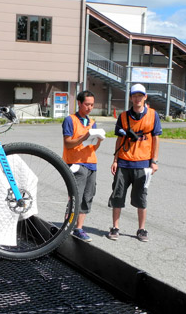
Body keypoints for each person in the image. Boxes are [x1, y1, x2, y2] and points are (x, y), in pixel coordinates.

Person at [108, 83, 161, 242]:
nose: (137, 99)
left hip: (143, 164)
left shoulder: (153, 115)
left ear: (145, 97)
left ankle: (141, 229)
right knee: (118, 195)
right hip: (124, 163)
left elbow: (156, 138)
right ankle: (115, 227)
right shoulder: (123, 116)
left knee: (141, 198)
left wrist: (154, 161)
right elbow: (119, 139)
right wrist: (115, 160)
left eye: (140, 96)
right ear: (131, 98)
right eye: (134, 96)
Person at [62, 90, 102, 242]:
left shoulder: (92, 122)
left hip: (91, 163)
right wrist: (83, 137)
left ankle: (79, 228)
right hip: (75, 163)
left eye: (92, 105)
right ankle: (67, 226)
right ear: (79, 103)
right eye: (87, 104)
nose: (89, 107)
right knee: (75, 196)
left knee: (87, 196)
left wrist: (98, 140)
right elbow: (68, 142)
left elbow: (93, 148)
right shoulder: (70, 120)